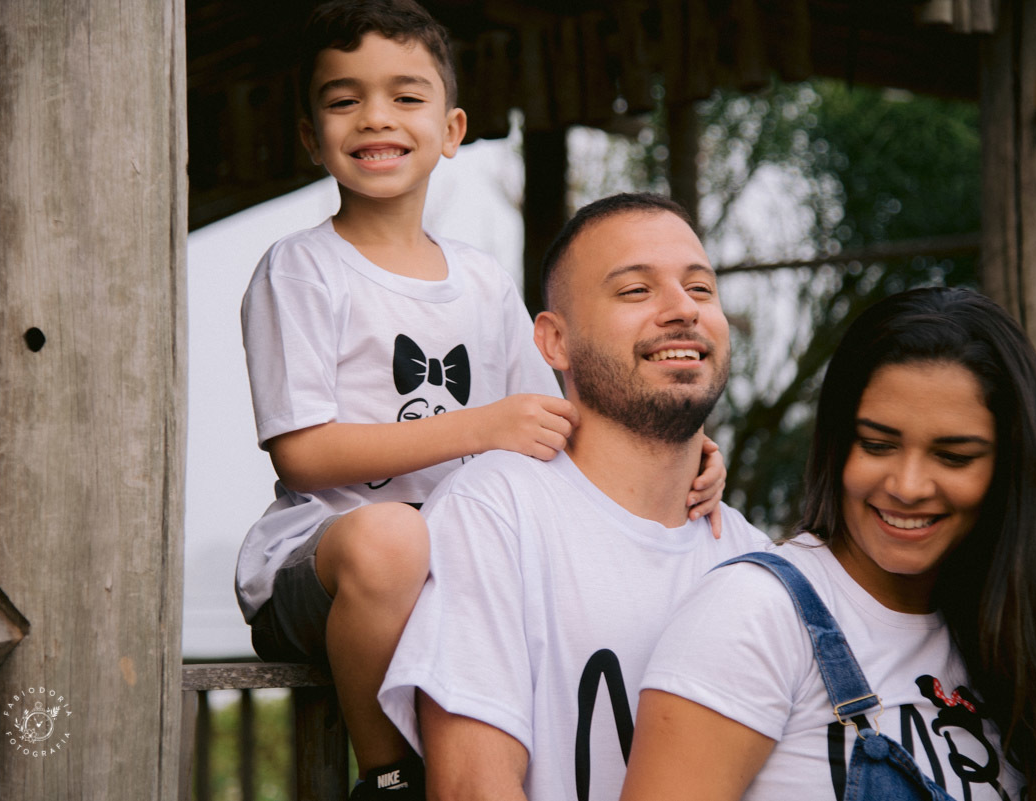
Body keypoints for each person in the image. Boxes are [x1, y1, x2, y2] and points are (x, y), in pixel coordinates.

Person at [235, 5, 727, 798]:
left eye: (405, 96)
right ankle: (390, 772)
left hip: (452, 564)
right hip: (322, 561)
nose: (375, 119)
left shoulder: (484, 280)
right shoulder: (300, 269)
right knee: (394, 540)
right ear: (308, 133)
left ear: (453, 127)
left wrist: (686, 454)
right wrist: (476, 425)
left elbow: (558, 427)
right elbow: (303, 451)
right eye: (342, 100)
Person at [620, 287, 1036, 801]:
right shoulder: (754, 615)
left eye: (954, 456)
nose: (907, 486)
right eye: (877, 445)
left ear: (1009, 469)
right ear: (837, 443)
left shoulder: (1029, 639)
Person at [379, 192, 770, 801]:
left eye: (700, 289)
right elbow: (473, 789)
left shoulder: (758, 561)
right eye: (635, 291)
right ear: (554, 341)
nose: (681, 311)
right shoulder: (496, 511)